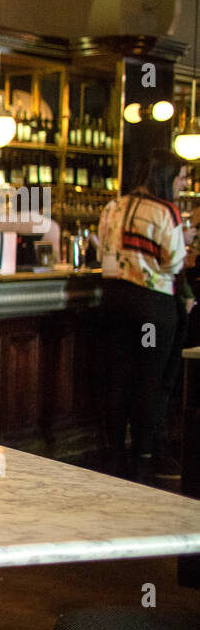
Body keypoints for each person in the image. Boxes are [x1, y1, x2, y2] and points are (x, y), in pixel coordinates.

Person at [98, 149, 190, 482]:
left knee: (118, 377)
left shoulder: (113, 206)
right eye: (180, 176)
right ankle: (143, 456)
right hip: (151, 310)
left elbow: (103, 255)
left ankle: (114, 455)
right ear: (166, 178)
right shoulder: (167, 212)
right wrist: (186, 240)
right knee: (149, 377)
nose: (183, 183)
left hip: (113, 303)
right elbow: (174, 264)